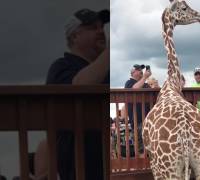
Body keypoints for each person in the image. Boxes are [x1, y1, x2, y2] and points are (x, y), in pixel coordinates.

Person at [44, 8, 109, 180]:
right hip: (80, 168)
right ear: (74, 36)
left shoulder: (106, 70)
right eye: (92, 27)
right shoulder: (61, 67)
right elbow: (80, 87)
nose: (101, 31)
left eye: (101, 27)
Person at [124, 64, 151, 155]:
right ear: (132, 72)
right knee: (141, 148)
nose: (141, 71)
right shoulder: (129, 82)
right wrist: (144, 77)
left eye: (142, 69)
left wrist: (153, 83)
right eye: (138, 69)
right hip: (137, 121)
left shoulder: (145, 84)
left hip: (149, 120)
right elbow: (134, 89)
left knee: (151, 146)